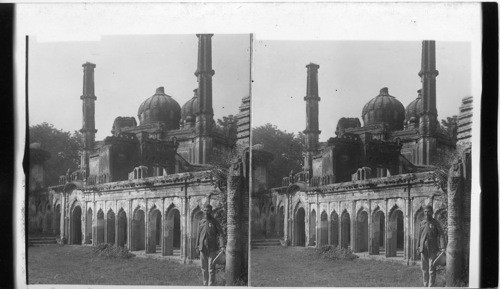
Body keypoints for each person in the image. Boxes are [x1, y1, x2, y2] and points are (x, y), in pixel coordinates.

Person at [196, 204, 225, 286]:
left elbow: (221, 234)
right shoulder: (201, 222)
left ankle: (211, 285)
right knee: (203, 268)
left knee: (211, 269)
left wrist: (222, 246)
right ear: (203, 211)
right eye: (205, 210)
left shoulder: (214, 222)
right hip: (202, 248)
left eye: (208, 210)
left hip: (212, 249)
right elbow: (198, 235)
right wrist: (196, 246)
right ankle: (205, 285)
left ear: (211, 211)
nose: (206, 212)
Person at [417, 205, 445, 287]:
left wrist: (443, 247)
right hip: (423, 249)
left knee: (431, 269)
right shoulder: (422, 223)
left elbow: (441, 235)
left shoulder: (435, 223)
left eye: (428, 211)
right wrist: (417, 247)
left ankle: (431, 286)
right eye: (425, 211)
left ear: (432, 212)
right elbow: (419, 236)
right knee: (424, 268)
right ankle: (425, 285)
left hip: (433, 249)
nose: (426, 213)